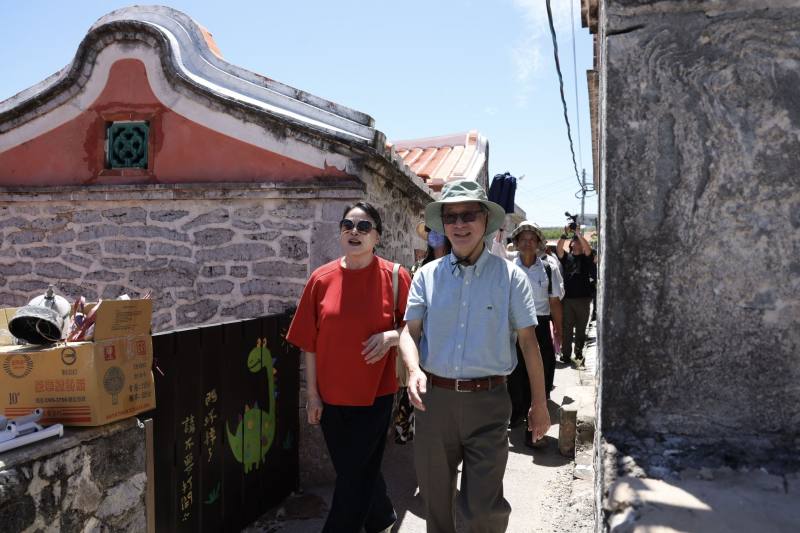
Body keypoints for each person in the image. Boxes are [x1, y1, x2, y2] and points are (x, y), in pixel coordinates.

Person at [398, 179, 551, 533]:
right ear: (443, 225)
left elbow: (529, 343)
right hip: (433, 403)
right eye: (451, 217)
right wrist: (411, 370)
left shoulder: (511, 278)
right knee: (436, 506)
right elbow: (409, 332)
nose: (459, 224)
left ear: (485, 221)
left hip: (489, 402)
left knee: (482, 510)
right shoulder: (427, 275)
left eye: (468, 215)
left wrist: (539, 403)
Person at [286, 201, 411, 533]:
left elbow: (416, 328)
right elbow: (308, 343)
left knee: (354, 476)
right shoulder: (320, 279)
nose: (354, 232)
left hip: (375, 396)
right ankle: (382, 517)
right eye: (348, 225)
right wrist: (312, 395)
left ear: (377, 236)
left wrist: (391, 337)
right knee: (356, 471)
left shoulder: (395, 277)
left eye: (364, 226)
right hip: (331, 400)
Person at [508, 222, 564, 447]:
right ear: (517, 243)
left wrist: (559, 330)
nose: (527, 242)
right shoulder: (508, 268)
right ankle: (518, 416)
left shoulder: (549, 268)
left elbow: (555, 302)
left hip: (540, 325)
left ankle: (535, 426)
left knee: (542, 374)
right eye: (523, 238)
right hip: (514, 327)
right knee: (516, 374)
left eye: (532, 238)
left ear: (539, 243)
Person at [397, 224, 451, 445]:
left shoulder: (456, 268)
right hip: (420, 345)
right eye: (430, 231)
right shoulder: (418, 268)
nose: (433, 235)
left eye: (437, 230)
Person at [556, 227, 596, 368]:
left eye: (579, 242)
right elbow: (559, 248)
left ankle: (578, 353)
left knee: (580, 328)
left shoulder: (586, 258)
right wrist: (565, 234)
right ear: (571, 244)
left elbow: (588, 249)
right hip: (568, 300)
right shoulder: (567, 257)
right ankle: (565, 354)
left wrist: (579, 234)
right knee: (567, 329)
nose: (578, 243)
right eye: (575, 241)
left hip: (583, 299)